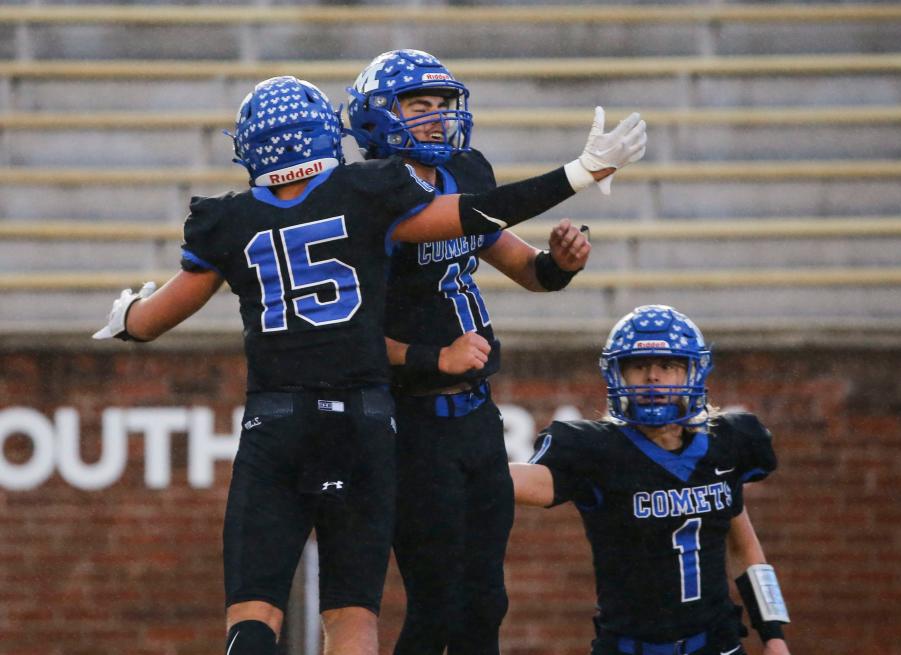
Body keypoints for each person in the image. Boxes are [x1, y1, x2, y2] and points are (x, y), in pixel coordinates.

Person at [92, 74, 647, 655]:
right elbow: (482, 212)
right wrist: (581, 173)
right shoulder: (366, 193)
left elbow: (150, 323)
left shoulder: (227, 221)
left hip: (276, 423)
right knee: (353, 616)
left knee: (254, 613)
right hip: (365, 421)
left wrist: (128, 315)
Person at [346, 49, 600, 655]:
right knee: (436, 606)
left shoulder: (461, 175)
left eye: (441, 105)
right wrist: (437, 359)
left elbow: (524, 268)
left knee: (485, 603)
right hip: (410, 424)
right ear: (379, 116)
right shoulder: (365, 197)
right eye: (418, 105)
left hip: (476, 419)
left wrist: (558, 265)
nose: (435, 118)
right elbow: (346, 338)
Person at [509, 305, 792, 655]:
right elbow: (531, 482)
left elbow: (744, 548)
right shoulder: (599, 451)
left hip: (715, 644)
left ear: (692, 372)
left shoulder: (724, 446)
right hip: (630, 648)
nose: (653, 377)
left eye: (668, 366)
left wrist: (773, 634)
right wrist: (456, 472)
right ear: (618, 375)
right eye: (639, 366)